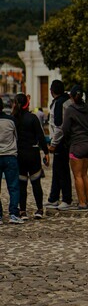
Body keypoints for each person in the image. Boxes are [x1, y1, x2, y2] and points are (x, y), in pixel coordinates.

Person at [58, 85, 88, 211]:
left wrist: (67, 140)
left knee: (77, 175)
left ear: (71, 96)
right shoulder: (87, 108)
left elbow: (65, 129)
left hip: (77, 145)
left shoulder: (70, 110)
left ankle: (82, 203)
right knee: (84, 174)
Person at [12, 93, 49, 220]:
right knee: (36, 182)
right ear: (27, 104)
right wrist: (46, 152)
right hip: (33, 153)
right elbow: (40, 136)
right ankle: (39, 209)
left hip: (19, 154)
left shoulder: (14, 119)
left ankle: (22, 211)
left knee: (22, 184)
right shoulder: (33, 118)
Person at [44, 80, 73, 210]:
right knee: (57, 170)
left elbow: (58, 126)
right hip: (66, 140)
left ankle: (66, 199)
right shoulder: (67, 100)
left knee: (62, 171)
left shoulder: (59, 103)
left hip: (61, 142)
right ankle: (53, 198)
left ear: (52, 91)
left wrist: (53, 143)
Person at [0, 96, 24, 224]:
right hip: (10, 156)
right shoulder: (11, 120)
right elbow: (17, 137)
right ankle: (14, 213)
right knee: (14, 187)